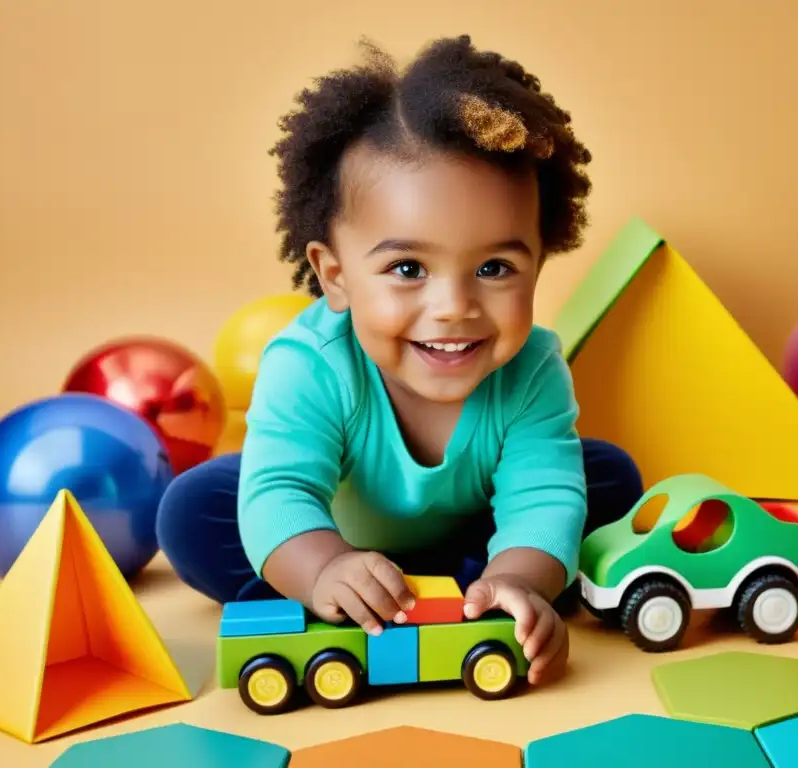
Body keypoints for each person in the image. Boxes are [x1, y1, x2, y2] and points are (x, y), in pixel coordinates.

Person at [156, 34, 643, 688]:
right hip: (335, 525)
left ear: (539, 261)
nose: (453, 307)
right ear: (335, 276)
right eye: (408, 268)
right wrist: (322, 564)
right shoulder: (310, 365)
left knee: (605, 479)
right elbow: (281, 491)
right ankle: (337, 591)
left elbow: (542, 497)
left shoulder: (531, 369)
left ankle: (486, 592)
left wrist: (521, 578)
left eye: (494, 267)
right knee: (193, 512)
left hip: (480, 530)